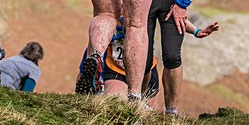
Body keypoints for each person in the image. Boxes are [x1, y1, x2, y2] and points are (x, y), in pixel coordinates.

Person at [78, 16, 218, 102]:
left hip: (146, 72)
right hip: (116, 71)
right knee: (117, 103)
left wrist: (196, 31)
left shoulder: (143, 2)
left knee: (145, 114)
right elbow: (87, 59)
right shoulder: (107, 17)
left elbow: (171, 16)